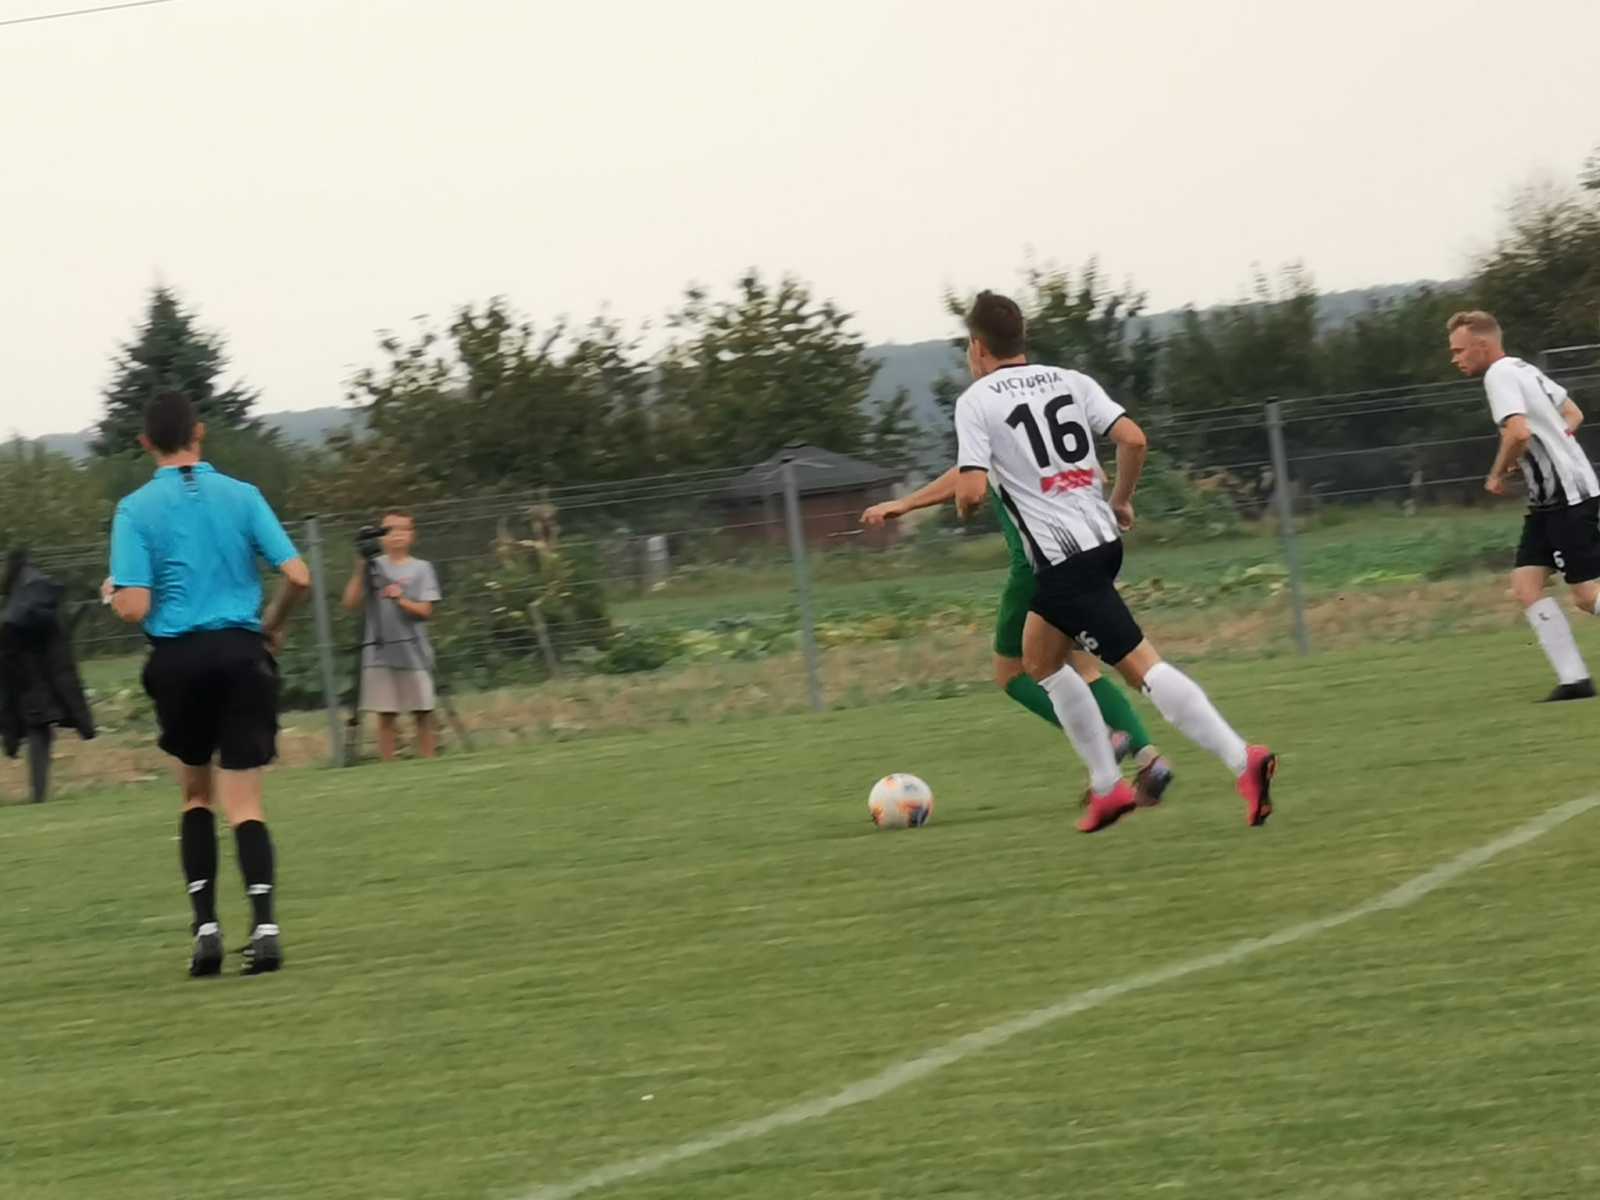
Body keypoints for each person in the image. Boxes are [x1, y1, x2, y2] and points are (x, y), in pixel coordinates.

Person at [950, 291, 1275, 833]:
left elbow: (972, 491)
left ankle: (1244, 760)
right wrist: (1120, 499)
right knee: (1039, 661)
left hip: (1064, 560)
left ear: (977, 346)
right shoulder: (1070, 380)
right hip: (1100, 544)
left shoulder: (976, 400)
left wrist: (966, 503)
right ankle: (1107, 788)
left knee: (1142, 670)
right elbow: (1133, 439)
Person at [106, 390, 310, 977]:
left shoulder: (134, 509)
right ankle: (265, 929)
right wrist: (271, 626)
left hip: (179, 661)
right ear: (200, 433)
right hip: (243, 655)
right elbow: (298, 576)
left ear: (146, 442)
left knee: (197, 796)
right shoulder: (243, 495)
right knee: (245, 803)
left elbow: (135, 607)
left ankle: (207, 932)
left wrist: (112, 593)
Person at [862, 472, 1174, 806]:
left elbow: (969, 477)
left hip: (1038, 568)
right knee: (1081, 668)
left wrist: (906, 503)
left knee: (1011, 672)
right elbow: (1096, 473)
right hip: (1089, 555)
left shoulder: (997, 438)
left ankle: (1104, 739)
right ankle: (1149, 760)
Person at [1447, 310, 1600, 702]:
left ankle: (1576, 681)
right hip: (1550, 499)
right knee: (1526, 586)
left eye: (1460, 350)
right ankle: (1575, 681)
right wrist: (1550, 446)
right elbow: (1573, 414)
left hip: (1567, 496)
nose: (1454, 358)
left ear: (1483, 345)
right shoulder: (1522, 368)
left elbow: (1517, 432)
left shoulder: (1498, 375)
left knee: (1587, 596)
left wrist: (1498, 473)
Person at [341, 511, 441, 760]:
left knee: (423, 710)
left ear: (412, 535)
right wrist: (360, 567)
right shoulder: (373, 567)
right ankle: (388, 763)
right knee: (386, 714)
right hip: (379, 652)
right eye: (389, 530)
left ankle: (429, 760)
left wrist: (401, 600)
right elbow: (350, 603)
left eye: (403, 529)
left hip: (414, 651)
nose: (397, 535)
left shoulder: (421, 568)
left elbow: (425, 611)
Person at [1, 550, 95, 802]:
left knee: (38, 731)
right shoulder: (42, 598)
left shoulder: (16, 608)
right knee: (41, 733)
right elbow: (61, 658)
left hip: (26, 680)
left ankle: (39, 795)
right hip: (45, 678)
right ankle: (39, 794)